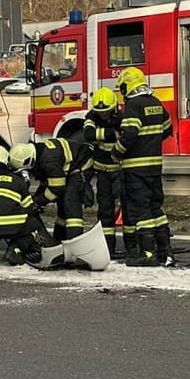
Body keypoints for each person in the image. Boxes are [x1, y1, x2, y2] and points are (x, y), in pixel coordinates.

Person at [113, 67, 174, 267]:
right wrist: (151, 141)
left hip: (135, 168)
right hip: (154, 167)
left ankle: (147, 254)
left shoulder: (133, 105)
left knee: (141, 211)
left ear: (127, 86)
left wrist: (117, 152)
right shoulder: (155, 103)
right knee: (156, 207)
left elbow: (129, 134)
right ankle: (165, 251)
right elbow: (167, 128)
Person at [7, 137, 91, 242]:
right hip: (68, 169)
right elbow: (47, 183)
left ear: (29, 162)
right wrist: (36, 199)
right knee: (62, 205)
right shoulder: (39, 154)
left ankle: (75, 245)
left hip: (81, 165)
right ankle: (60, 240)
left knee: (70, 201)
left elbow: (57, 189)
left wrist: (37, 202)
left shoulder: (49, 161)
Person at [83, 86, 128, 258]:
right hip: (102, 172)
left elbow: (126, 136)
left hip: (120, 171)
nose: (103, 115)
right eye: (100, 113)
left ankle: (131, 247)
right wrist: (110, 133)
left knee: (128, 209)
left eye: (106, 112)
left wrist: (101, 135)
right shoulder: (91, 116)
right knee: (105, 211)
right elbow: (88, 134)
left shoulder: (122, 117)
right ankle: (108, 248)